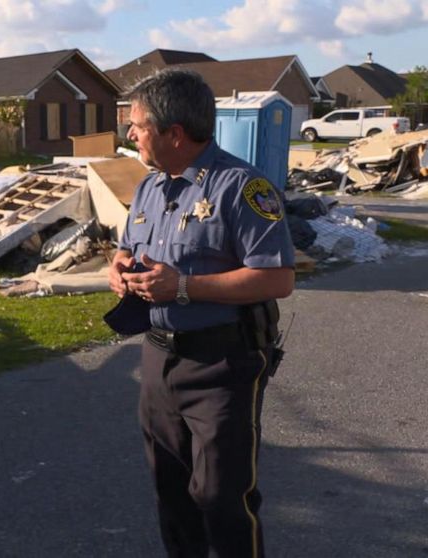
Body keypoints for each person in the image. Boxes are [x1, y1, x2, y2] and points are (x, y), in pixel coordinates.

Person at [108, 69, 295, 557]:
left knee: (220, 498)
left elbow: (278, 279)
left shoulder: (243, 187)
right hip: (157, 360)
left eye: (137, 125)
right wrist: (119, 266)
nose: (129, 134)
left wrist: (185, 286)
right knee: (171, 493)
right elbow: (129, 245)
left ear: (174, 133)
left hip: (222, 364)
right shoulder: (150, 187)